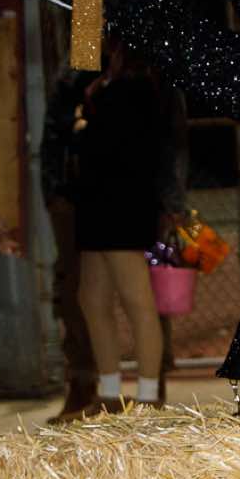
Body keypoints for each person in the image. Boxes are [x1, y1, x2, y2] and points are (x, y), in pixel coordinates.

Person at [69, 36, 169, 413]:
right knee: (92, 297)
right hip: (96, 201)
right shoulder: (100, 79)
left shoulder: (139, 84)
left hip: (123, 201)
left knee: (135, 297)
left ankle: (148, 395)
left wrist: (83, 129)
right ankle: (110, 391)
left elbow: (122, 144)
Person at [40, 63, 100, 420]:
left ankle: (142, 388)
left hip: (92, 195)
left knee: (87, 291)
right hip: (72, 194)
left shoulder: (90, 51)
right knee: (74, 291)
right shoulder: (76, 59)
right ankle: (84, 382)